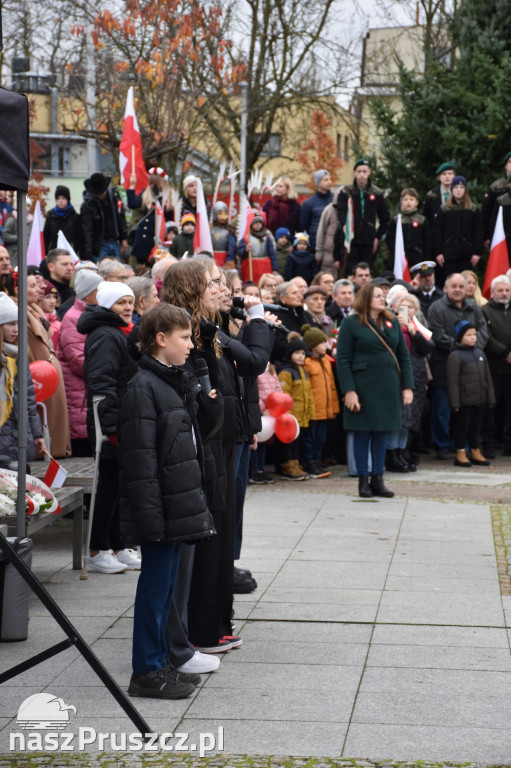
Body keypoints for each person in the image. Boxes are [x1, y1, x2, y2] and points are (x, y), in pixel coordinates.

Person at [118, 303, 218, 700]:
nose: (191, 345)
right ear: (161, 339)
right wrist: (151, 521)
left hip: (176, 506)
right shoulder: (142, 388)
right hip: (160, 512)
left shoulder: (171, 380)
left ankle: (160, 662)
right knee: (155, 593)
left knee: (166, 593)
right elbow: (140, 463)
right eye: (184, 337)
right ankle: (146, 670)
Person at [77, 281, 139, 573]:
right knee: (108, 486)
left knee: (120, 486)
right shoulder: (105, 334)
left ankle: (117, 545)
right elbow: (102, 384)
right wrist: (111, 428)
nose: (127, 308)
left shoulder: (120, 331)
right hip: (110, 422)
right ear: (107, 305)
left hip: (123, 417)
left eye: (130, 302)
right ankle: (97, 549)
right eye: (121, 303)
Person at [337, 283, 414, 498]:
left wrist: (408, 386)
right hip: (363, 385)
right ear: (365, 299)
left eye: (383, 295)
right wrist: (349, 390)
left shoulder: (392, 321)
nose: (383, 299)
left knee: (382, 432)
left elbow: (403, 356)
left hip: (388, 384)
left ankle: (378, 478)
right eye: (377, 296)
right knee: (362, 432)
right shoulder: (351, 323)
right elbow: (343, 360)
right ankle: (363, 479)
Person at [7, 272, 71, 458]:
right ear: (18, 290)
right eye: (32, 286)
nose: (39, 290)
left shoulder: (34, 310)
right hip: (38, 378)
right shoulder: (16, 312)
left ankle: (56, 449)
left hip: (46, 375)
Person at [427, 273, 488, 459]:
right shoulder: (436, 308)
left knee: (467, 411)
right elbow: (437, 335)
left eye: (461, 286)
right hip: (444, 367)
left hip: (470, 370)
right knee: (442, 410)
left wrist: (473, 347)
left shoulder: (474, 307)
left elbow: (483, 331)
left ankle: (464, 444)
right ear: (446, 288)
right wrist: (462, 346)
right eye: (454, 286)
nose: (458, 290)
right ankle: (442, 445)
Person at [385, 291, 434, 472]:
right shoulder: (390, 324)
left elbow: (429, 348)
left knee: (411, 418)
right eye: (403, 306)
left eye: (410, 307)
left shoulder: (418, 327)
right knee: (398, 418)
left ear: (416, 310)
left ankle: (402, 452)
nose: (407, 310)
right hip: (397, 376)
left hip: (417, 377)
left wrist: (413, 332)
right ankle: (392, 455)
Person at [57, 269, 103, 458]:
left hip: (85, 389)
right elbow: (77, 360)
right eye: (98, 289)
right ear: (88, 293)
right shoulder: (73, 318)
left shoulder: (89, 313)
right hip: (79, 391)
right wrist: (104, 368)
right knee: (83, 446)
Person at [0, 293, 46, 466]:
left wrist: (37, 433)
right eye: (10, 324)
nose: (16, 329)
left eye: (17, 324)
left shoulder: (18, 355)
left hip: (19, 434)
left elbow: (29, 398)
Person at [447, 320, 495, 467]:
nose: (473, 337)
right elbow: (453, 381)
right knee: (462, 427)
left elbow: (487, 377)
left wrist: (490, 397)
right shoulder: (455, 355)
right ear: (460, 337)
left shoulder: (480, 353)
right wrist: (454, 402)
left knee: (476, 427)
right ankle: (460, 452)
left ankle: (475, 450)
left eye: (474, 334)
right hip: (464, 400)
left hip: (479, 399)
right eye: (469, 335)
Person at [337, 159, 390, 275]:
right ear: (354, 173)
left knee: (366, 271)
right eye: (359, 171)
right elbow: (340, 211)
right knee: (350, 272)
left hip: (368, 241)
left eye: (364, 171)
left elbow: (385, 217)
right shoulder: (346, 192)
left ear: (369, 172)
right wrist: (344, 224)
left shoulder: (376, 193)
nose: (361, 175)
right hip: (350, 239)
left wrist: (377, 237)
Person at [302, 324, 340, 478]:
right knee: (310, 438)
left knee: (321, 438)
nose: (326, 345)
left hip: (324, 408)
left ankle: (317, 459)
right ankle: (309, 461)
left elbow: (332, 387)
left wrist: (334, 408)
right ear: (313, 346)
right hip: (313, 409)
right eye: (322, 343)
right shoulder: (306, 363)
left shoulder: (326, 361)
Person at [275, 333, 314, 480]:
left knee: (297, 443)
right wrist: (287, 414)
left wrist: (311, 413)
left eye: (303, 353)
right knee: (288, 443)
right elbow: (283, 395)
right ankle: (287, 466)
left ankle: (295, 464)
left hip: (301, 415)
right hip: (291, 416)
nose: (300, 356)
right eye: (297, 353)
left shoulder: (303, 371)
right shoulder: (286, 372)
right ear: (290, 353)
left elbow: (308, 394)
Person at [481, 275, 511, 457]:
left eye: (507, 290)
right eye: (500, 290)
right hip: (494, 368)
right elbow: (486, 336)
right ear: (492, 292)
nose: (504, 293)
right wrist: (505, 353)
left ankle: (509, 445)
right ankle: (489, 445)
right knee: (490, 408)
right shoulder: (484, 311)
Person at [433, 176, 483, 280]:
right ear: (452, 190)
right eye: (456, 187)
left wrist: (477, 252)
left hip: (467, 254)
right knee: (450, 280)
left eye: (461, 187)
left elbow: (478, 232)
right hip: (448, 254)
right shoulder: (444, 209)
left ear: (465, 190)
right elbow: (437, 232)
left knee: (465, 280)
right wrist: (438, 252)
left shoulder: (473, 209)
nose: (459, 190)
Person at [127, 167, 174, 265]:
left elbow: (171, 220)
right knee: (142, 267)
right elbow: (133, 204)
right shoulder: (146, 194)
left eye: (156, 183)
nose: (153, 186)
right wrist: (132, 185)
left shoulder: (169, 198)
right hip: (144, 237)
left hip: (159, 237)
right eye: (151, 183)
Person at [80, 173, 128, 262]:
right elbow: (87, 230)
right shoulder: (88, 205)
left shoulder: (114, 196)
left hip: (115, 241)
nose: (100, 196)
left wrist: (124, 238)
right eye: (97, 193)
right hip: (100, 245)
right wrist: (88, 253)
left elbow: (121, 217)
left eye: (101, 193)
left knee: (118, 269)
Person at [385, 188, 432, 270]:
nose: (408, 202)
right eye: (405, 199)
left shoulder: (422, 220)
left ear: (416, 203)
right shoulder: (396, 220)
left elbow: (428, 241)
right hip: (400, 259)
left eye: (411, 199)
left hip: (418, 258)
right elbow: (389, 239)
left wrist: (426, 258)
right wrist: (397, 251)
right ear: (401, 202)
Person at [271, 281, 313, 361]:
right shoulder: (275, 317)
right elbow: (279, 345)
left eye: (299, 293)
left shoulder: (304, 314)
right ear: (283, 298)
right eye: (294, 293)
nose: (299, 296)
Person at [299, 170, 333, 254]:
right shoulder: (308, 203)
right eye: (326, 180)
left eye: (330, 179)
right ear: (318, 183)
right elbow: (304, 227)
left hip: (333, 244)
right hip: (315, 246)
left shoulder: (336, 200)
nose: (329, 182)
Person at [237, 215, 278, 284]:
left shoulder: (266, 237)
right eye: (255, 223)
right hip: (250, 266)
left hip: (265, 266)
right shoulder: (246, 237)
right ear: (251, 224)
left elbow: (272, 254)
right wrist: (245, 250)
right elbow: (239, 252)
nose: (258, 225)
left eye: (260, 223)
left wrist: (275, 268)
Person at [482, 152, 511, 246]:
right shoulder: (496, 186)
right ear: (505, 165)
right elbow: (487, 213)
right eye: (510, 162)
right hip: (500, 235)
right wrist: (486, 236)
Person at [43, 185, 81, 255]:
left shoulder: (74, 217)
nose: (60, 201)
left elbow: (79, 238)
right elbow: (46, 238)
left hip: (70, 253)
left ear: (68, 200)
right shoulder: (50, 216)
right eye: (58, 198)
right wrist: (45, 254)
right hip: (54, 253)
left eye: (63, 198)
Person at [315, 188, 342, 278]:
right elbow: (321, 231)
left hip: (344, 254)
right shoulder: (329, 209)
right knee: (326, 278)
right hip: (328, 253)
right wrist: (319, 251)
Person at [210, 201, 236, 268]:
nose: (222, 216)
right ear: (215, 214)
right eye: (220, 213)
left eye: (225, 213)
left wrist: (229, 261)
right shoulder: (210, 229)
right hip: (211, 259)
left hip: (225, 260)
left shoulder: (229, 230)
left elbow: (231, 247)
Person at [39, 281, 60, 349]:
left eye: (54, 297)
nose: (52, 301)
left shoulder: (56, 319)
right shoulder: (38, 321)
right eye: (47, 297)